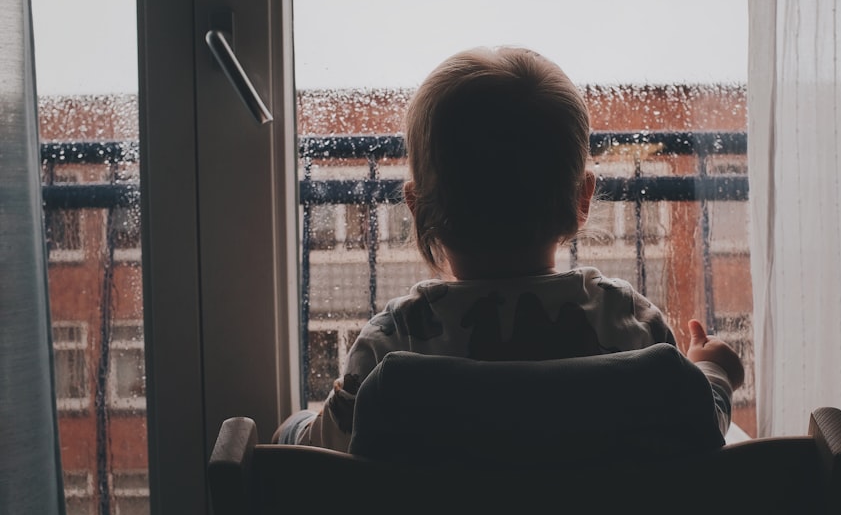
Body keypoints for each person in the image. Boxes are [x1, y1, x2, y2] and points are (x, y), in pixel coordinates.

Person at [276, 46, 744, 451]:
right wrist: (714, 372)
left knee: (291, 427)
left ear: (419, 209)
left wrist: (293, 431)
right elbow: (699, 426)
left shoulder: (397, 337)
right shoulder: (625, 319)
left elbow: (325, 455)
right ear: (582, 199)